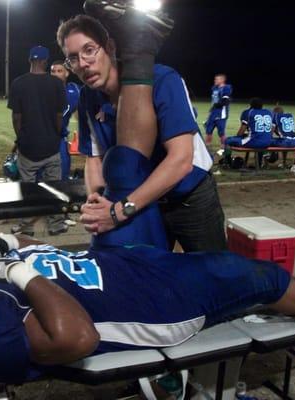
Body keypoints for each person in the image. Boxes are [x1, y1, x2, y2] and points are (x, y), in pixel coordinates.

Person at [0, 232, 295, 384]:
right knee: (258, 279)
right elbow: (77, 337)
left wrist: (1, 251)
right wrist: (12, 271)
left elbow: (16, 242)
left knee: (238, 272)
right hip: (156, 305)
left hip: (121, 269)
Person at [57, 7, 226, 252]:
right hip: (139, 202)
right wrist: (97, 199)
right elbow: (93, 158)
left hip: (188, 197)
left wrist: (118, 211)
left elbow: (181, 161)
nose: (82, 63)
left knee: (213, 276)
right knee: (148, 277)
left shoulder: (163, 79)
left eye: (89, 50)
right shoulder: (87, 97)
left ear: (111, 47)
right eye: (73, 57)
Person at [7, 46, 67, 236]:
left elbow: (16, 117)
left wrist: (20, 137)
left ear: (29, 60)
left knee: (27, 189)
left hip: (28, 145)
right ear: (45, 61)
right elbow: (59, 116)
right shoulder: (57, 84)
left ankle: (27, 226)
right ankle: (55, 224)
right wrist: (57, 133)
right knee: (54, 188)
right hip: (51, 144)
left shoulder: (18, 83)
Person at [50, 60, 81, 181]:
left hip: (60, 140)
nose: (56, 74)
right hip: (42, 139)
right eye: (53, 71)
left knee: (63, 177)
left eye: (59, 71)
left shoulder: (74, 91)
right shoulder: (42, 89)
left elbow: (80, 115)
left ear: (67, 73)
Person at [205, 74, 232, 146]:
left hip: (221, 114)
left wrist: (217, 105)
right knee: (208, 130)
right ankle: (207, 146)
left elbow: (226, 101)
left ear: (222, 80)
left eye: (217, 79)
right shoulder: (214, 88)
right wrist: (211, 110)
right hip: (213, 112)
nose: (215, 81)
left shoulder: (226, 88)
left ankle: (223, 148)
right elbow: (214, 100)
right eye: (215, 79)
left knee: (221, 132)